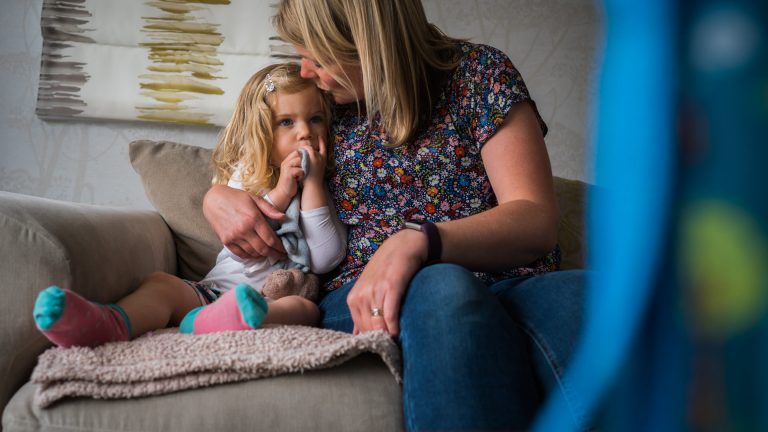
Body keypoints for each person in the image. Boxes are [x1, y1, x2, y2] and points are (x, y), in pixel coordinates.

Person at [203, 0, 587, 430]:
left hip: (510, 282)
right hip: (369, 295)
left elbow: (534, 218)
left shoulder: (480, 74)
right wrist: (216, 197)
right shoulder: (325, 108)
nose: (305, 71)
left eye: (318, 56)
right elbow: (252, 161)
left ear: (367, 44)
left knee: (584, 295)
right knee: (443, 286)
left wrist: (417, 241)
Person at [33, 63, 347, 348]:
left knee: (305, 309)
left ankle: (229, 321)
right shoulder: (249, 174)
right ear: (261, 130)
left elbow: (324, 258)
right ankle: (108, 324)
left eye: (315, 118)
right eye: (287, 122)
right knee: (161, 285)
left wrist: (314, 184)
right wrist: (281, 190)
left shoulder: (327, 188)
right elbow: (250, 238)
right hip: (211, 293)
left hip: (271, 301)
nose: (305, 132)